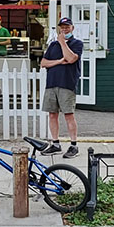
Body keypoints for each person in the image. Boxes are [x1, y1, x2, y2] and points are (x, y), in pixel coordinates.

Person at [40, 17, 84, 159]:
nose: (64, 29)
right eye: (62, 27)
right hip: (51, 83)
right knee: (52, 114)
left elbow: (71, 58)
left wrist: (62, 43)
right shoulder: (52, 46)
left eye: (67, 27)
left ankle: (73, 145)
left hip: (67, 84)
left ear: (72, 28)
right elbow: (43, 63)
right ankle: (56, 143)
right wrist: (59, 61)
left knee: (68, 115)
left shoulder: (77, 43)